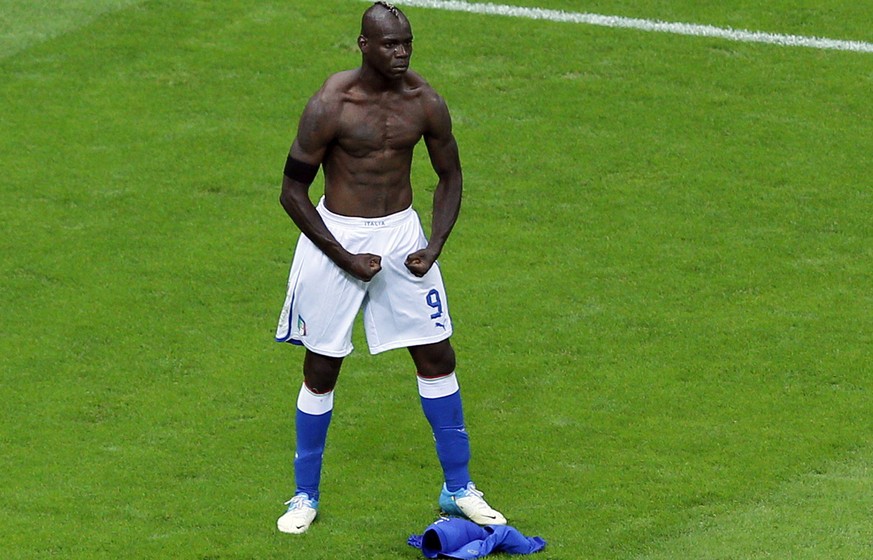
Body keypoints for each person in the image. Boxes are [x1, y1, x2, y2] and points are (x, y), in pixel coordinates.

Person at [273, 1, 506, 535]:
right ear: (363, 45)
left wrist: (436, 243)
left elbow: (450, 175)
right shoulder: (331, 103)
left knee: (437, 354)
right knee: (321, 367)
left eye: (407, 43)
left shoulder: (425, 102)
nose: (401, 53)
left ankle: (458, 488)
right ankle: (303, 494)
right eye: (389, 44)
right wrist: (343, 255)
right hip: (337, 237)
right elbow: (292, 191)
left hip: (401, 236)